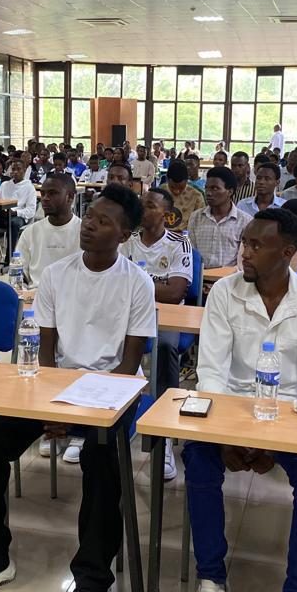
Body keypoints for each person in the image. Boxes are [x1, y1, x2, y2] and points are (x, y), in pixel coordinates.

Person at [0, 185, 155, 592]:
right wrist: (52, 407)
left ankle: (92, 582)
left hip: (109, 398)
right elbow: (44, 353)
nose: (90, 226)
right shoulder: (55, 275)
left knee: (101, 455)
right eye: (89, 217)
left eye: (104, 221)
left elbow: (129, 366)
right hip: (54, 390)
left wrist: (79, 411)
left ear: (126, 234)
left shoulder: (138, 283)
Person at [179, 207, 297, 592]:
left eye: (254, 245)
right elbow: (211, 374)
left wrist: (273, 443)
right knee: (198, 460)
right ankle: (212, 587)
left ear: (287, 252)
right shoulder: (224, 294)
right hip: (231, 412)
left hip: (288, 418)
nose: (242, 252)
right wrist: (228, 435)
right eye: (243, 242)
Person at [120, 187, 193, 479]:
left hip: (167, 316)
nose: (143, 209)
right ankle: (116, 417)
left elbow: (175, 293)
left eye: (150, 206)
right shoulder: (127, 241)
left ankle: (163, 433)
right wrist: (152, 286)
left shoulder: (179, 243)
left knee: (164, 347)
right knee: (107, 344)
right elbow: (116, 284)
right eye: (141, 204)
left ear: (167, 213)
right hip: (127, 312)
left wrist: (138, 282)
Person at [16, 173, 80, 290]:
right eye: (43, 193)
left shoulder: (85, 233)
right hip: (36, 296)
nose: (45, 198)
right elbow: (18, 273)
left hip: (73, 298)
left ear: (70, 197)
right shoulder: (30, 232)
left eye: (52, 193)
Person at [187, 166, 248, 269]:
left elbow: (242, 262)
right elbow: (191, 253)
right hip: (201, 278)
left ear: (230, 191)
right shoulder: (196, 217)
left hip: (229, 280)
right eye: (207, 188)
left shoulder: (244, 221)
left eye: (215, 188)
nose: (209, 193)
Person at [0, 158, 36, 264]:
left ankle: (9, 259)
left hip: (18, 217)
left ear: (24, 170)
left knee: (13, 224)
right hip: (2, 216)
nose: (16, 172)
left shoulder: (29, 187)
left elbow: (31, 210)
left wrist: (15, 212)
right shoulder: (5, 185)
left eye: (19, 169)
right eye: (13, 169)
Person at [165, 159, 204, 233]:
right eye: (172, 187)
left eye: (181, 188)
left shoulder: (197, 196)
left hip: (186, 237)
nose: (176, 191)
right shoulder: (159, 193)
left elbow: (200, 222)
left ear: (187, 181)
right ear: (167, 179)